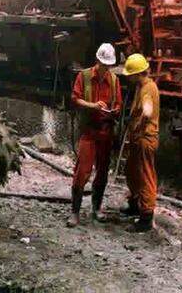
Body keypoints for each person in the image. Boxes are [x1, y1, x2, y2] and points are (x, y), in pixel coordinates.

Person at [67, 43, 123, 226]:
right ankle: (75, 212)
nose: (106, 69)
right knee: (82, 171)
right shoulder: (83, 77)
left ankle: (96, 208)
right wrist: (92, 106)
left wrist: (114, 111)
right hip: (89, 132)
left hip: (106, 132)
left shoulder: (114, 81)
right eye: (104, 64)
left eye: (109, 66)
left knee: (102, 173)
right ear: (97, 60)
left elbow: (119, 105)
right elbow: (75, 99)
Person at [120, 53, 159, 232]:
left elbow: (148, 111)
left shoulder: (147, 89)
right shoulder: (141, 86)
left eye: (130, 74)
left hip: (145, 138)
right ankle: (135, 204)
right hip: (138, 138)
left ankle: (146, 216)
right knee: (132, 171)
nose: (128, 78)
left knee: (145, 176)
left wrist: (138, 123)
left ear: (137, 73)